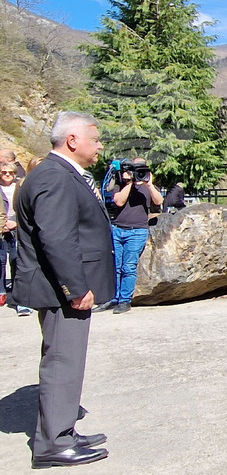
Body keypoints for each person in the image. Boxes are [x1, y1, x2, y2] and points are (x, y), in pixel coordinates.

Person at [14, 111, 113, 468]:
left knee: (67, 360)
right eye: (96, 139)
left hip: (63, 287)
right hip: (60, 289)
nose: (100, 146)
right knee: (62, 362)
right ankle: (53, 444)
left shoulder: (61, 174)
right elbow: (57, 238)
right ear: (73, 140)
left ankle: (63, 430)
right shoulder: (55, 177)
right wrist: (75, 287)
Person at [94, 157, 163, 314]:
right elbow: (118, 201)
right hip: (118, 229)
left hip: (137, 231)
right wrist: (129, 183)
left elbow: (158, 201)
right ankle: (114, 298)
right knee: (115, 266)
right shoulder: (121, 184)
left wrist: (149, 184)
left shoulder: (147, 186)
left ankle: (125, 300)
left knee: (128, 266)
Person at [0, 162, 31, 315]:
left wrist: (16, 223)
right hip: (2, 226)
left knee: (16, 259)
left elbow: (23, 207)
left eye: (10, 172)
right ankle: (1, 292)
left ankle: (19, 295)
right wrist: (3, 224)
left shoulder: (19, 185)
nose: (7, 175)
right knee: (0, 261)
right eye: (4, 172)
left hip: (17, 227)